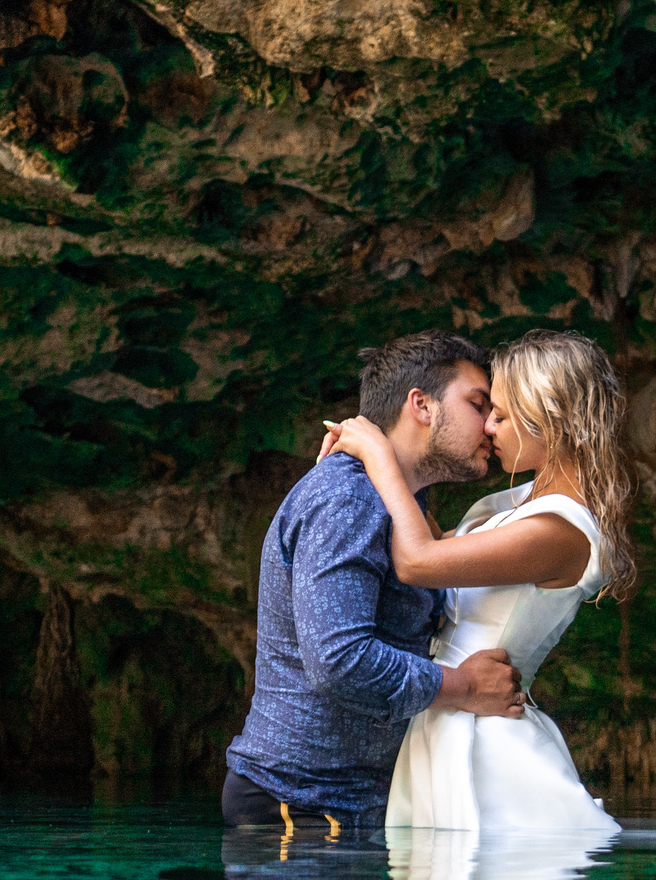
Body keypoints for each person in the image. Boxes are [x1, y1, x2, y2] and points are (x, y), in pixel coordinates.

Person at [323, 329, 631, 834]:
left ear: (550, 420)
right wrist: (393, 453)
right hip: (449, 715)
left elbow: (418, 561)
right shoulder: (526, 502)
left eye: (502, 416)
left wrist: (380, 456)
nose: (487, 427)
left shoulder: (560, 530)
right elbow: (434, 545)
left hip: (488, 741)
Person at [221, 329, 527, 834]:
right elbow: (340, 660)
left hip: (342, 803)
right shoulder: (350, 498)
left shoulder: (396, 503)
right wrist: (464, 686)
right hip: (300, 802)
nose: (491, 425)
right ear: (421, 405)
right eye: (478, 405)